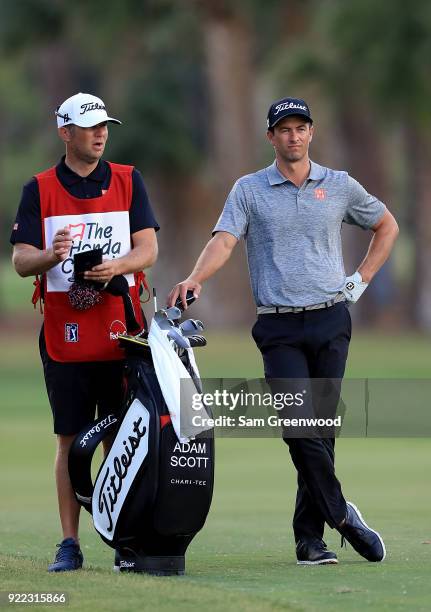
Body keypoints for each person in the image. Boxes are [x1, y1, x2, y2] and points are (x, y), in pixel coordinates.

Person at [168, 97, 399, 565]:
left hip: (331, 318)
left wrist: (362, 277)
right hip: (279, 325)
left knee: (321, 430)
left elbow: (386, 224)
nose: (293, 136)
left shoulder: (337, 185)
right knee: (299, 426)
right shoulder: (250, 189)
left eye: (301, 128)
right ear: (270, 137)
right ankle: (343, 517)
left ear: (311, 133)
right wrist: (196, 278)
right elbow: (225, 240)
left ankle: (309, 540)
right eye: (284, 129)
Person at [10, 92, 159, 572]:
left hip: (122, 332)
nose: (100, 134)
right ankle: (69, 543)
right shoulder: (39, 188)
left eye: (105, 126)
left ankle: (123, 538)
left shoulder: (128, 179)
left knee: (125, 436)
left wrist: (116, 264)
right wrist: (52, 256)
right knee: (68, 438)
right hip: (65, 334)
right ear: (65, 132)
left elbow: (148, 249)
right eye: (90, 127)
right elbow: (20, 260)